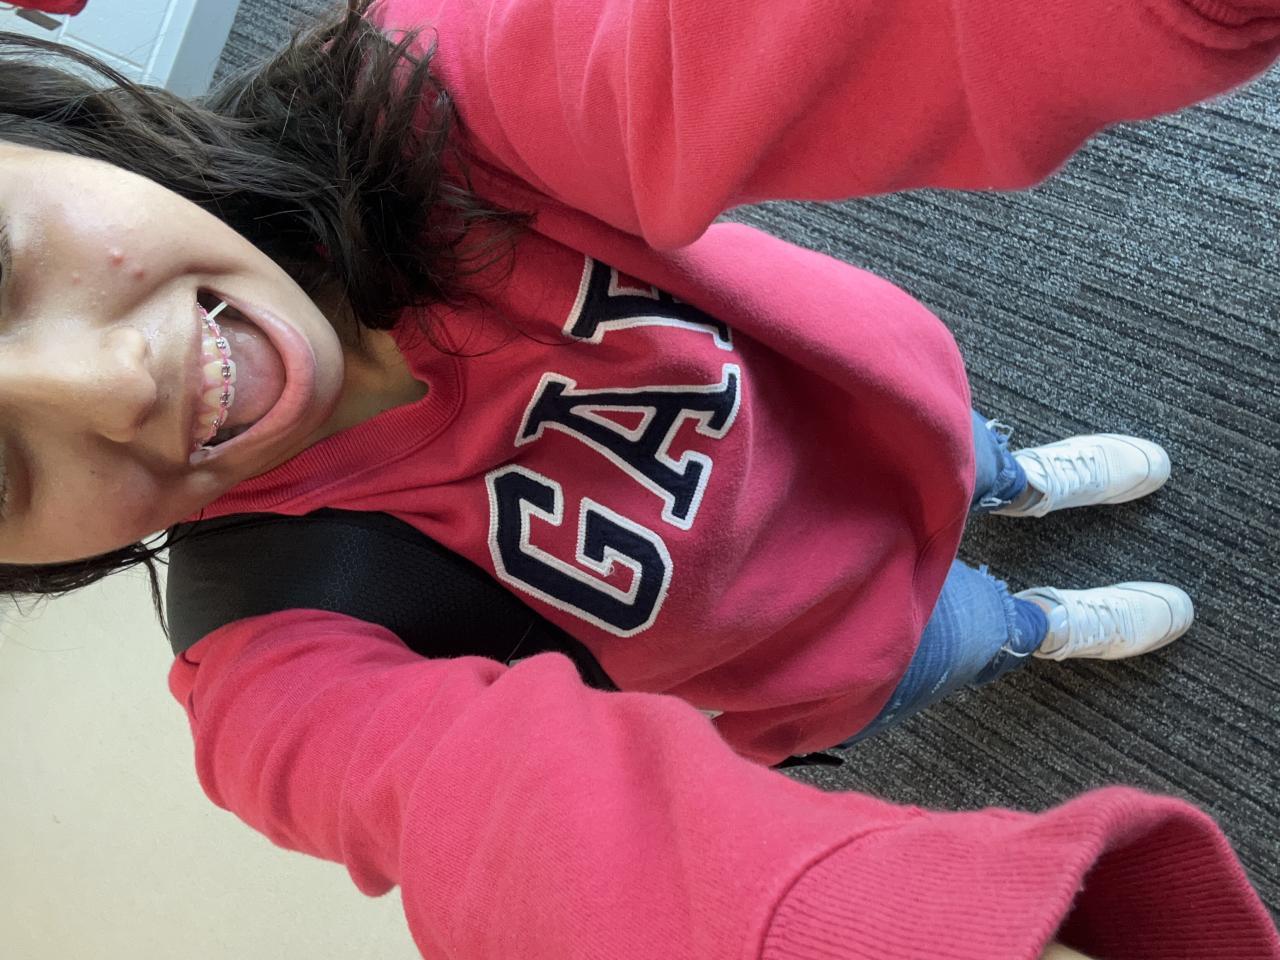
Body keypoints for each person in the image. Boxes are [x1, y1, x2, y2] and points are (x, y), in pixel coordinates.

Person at [0, 1, 1277, 957]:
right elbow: (517, 840)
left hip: (876, 410)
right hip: (839, 651)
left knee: (966, 458)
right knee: (975, 632)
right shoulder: (269, 664)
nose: (112, 387)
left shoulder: (416, 104)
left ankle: (1015, 484)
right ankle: (1036, 625)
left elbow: (747, 40)